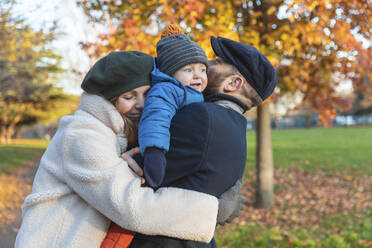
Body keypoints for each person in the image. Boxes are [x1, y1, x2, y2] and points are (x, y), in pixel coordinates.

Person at [14, 51, 245, 248]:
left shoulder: (124, 129)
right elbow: (129, 205)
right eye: (129, 96)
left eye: (148, 93)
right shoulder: (82, 135)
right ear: (109, 99)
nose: (142, 104)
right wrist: (212, 210)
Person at [128, 36, 277, 247]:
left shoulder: (202, 117)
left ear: (233, 83)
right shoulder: (236, 128)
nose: (207, 64)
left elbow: (137, 173)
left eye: (217, 62)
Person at [138, 24, 208, 188]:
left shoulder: (196, 93)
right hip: (162, 155)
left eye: (203, 69)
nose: (198, 75)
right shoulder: (166, 90)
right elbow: (156, 117)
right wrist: (154, 151)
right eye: (189, 70)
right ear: (171, 74)